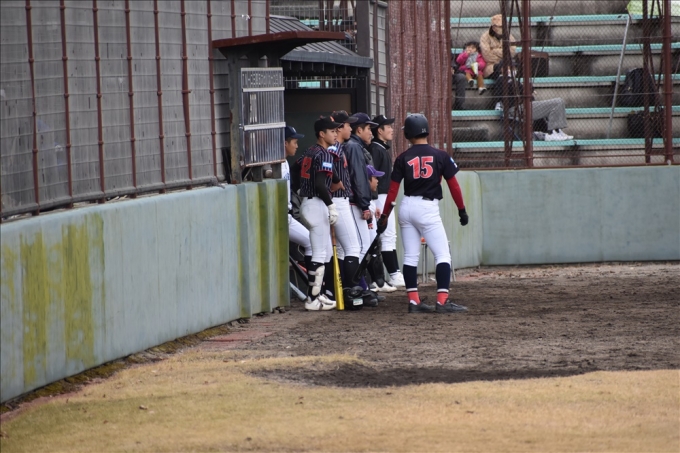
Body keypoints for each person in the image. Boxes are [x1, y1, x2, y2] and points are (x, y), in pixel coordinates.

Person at [377, 114, 470, 314]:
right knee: (442, 254)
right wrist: (461, 209)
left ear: (409, 134)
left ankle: (414, 301)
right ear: (426, 130)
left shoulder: (402, 157)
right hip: (427, 208)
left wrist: (384, 216)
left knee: (410, 256)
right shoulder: (441, 155)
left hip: (406, 206)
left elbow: (392, 191)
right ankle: (442, 301)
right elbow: (454, 186)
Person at [297, 116, 343, 311]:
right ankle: (312, 299)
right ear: (321, 134)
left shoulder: (310, 150)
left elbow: (297, 168)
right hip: (316, 203)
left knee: (324, 252)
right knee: (319, 253)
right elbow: (320, 184)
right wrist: (331, 205)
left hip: (310, 202)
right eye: (332, 131)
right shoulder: (324, 153)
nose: (335, 134)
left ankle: (320, 294)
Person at [368, 114, 405, 289]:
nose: (391, 129)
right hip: (379, 197)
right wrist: (373, 200)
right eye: (388, 126)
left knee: (388, 236)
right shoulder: (376, 149)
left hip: (383, 196)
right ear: (379, 130)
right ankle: (392, 275)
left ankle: (392, 274)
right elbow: (370, 176)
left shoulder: (380, 148)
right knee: (385, 236)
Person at [493, 75, 574, 141]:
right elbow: (517, 88)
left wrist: (526, 88)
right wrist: (526, 87)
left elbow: (523, 89)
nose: (512, 69)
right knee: (557, 102)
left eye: (514, 67)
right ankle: (553, 133)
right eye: (509, 67)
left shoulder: (515, 80)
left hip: (526, 106)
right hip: (517, 109)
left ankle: (557, 131)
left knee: (559, 102)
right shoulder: (502, 79)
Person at [283, 126, 313, 271]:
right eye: (294, 142)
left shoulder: (285, 162)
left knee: (311, 241)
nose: (296, 146)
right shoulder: (274, 165)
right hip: (279, 216)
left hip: (287, 216)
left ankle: (314, 281)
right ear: (285, 143)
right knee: (310, 241)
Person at [480, 13, 517, 80]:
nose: (503, 28)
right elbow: (487, 56)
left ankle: (507, 80)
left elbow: (512, 52)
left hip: (507, 64)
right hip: (491, 67)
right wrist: (502, 56)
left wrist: (494, 50)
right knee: (501, 67)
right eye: (500, 26)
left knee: (510, 66)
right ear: (494, 28)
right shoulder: (485, 37)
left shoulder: (509, 36)